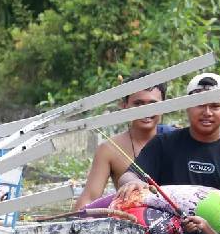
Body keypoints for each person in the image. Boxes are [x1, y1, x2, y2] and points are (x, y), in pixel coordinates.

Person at [116, 72, 220, 203]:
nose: (207, 112)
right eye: (200, 104)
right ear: (187, 106)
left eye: (215, 106)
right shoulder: (163, 144)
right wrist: (132, 182)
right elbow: (129, 175)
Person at [73, 74, 174, 210]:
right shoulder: (109, 149)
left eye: (152, 104)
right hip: (131, 222)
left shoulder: (178, 139)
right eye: (138, 104)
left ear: (164, 105)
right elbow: (89, 199)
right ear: (124, 105)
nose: (145, 110)